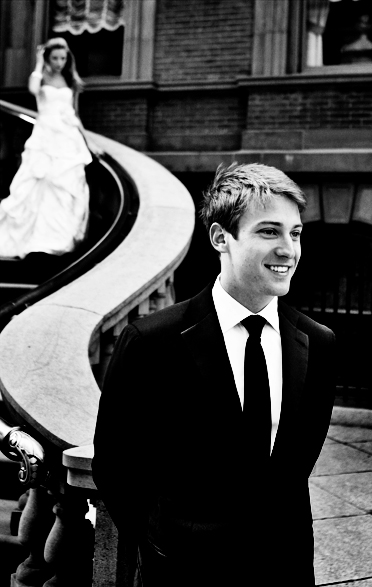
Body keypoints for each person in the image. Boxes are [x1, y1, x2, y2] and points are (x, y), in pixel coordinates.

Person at [92, 163, 336, 585]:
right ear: (221, 237)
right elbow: (116, 465)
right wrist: (162, 543)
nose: (288, 249)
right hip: (185, 569)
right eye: (268, 231)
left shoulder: (318, 342)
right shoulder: (152, 341)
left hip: (285, 566)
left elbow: (297, 466)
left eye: (294, 233)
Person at [0, 37, 97, 259]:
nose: (59, 62)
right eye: (55, 58)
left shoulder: (70, 79)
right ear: (48, 57)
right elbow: (33, 89)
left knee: (66, 186)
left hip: (68, 137)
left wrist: (88, 141)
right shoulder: (41, 76)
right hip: (46, 136)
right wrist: (37, 63)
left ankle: (60, 240)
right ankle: (34, 239)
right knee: (40, 182)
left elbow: (75, 114)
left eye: (63, 58)